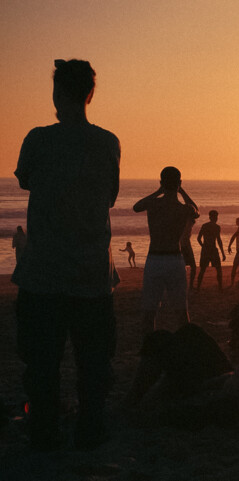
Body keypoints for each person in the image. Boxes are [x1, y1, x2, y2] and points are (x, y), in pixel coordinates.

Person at [12, 59, 120, 450]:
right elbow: (108, 196)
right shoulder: (107, 142)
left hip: (44, 272)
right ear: (90, 94)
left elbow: (25, 179)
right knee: (94, 364)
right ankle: (90, 431)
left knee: (41, 365)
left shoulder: (38, 139)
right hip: (92, 273)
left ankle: (44, 432)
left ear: (57, 94)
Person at [133, 167, 199, 334]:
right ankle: (185, 345)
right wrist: (182, 191)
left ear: (161, 182)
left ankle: (149, 349)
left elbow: (137, 206)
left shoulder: (154, 204)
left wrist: (158, 191)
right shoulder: (183, 209)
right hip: (175, 260)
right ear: (179, 183)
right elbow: (196, 210)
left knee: (149, 312)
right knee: (181, 311)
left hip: (155, 259)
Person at [196, 210, 226, 290]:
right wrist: (223, 253)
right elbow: (219, 240)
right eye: (215, 217)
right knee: (217, 269)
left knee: (203, 269)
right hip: (212, 250)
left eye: (216, 217)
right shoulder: (216, 227)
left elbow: (199, 238)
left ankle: (198, 287)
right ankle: (220, 287)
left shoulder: (205, 226)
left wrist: (203, 246)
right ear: (211, 217)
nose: (216, 218)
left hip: (206, 250)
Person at [181, 218, 197, 288]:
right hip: (185, 246)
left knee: (184, 266)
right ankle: (189, 285)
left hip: (184, 245)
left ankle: (188, 285)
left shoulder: (185, 224)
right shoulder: (187, 224)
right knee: (192, 266)